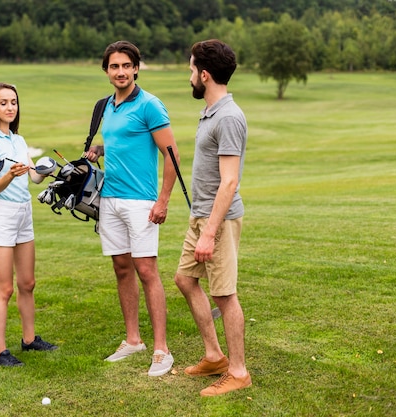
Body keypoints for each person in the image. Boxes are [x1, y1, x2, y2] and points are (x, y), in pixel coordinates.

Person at [84, 41, 179, 377]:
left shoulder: (150, 105)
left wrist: (163, 201)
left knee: (147, 270)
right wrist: (100, 149)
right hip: (109, 199)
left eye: (126, 65)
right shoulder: (106, 107)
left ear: (136, 67)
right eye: (114, 66)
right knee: (122, 268)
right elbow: (123, 143)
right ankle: (133, 340)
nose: (120, 72)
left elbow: (172, 156)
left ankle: (161, 350)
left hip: (142, 202)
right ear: (107, 71)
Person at [174, 39, 252, 396]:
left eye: (191, 70)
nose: (189, 76)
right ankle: (214, 355)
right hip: (201, 216)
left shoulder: (230, 116)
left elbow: (230, 181)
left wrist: (209, 232)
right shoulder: (211, 112)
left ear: (205, 75)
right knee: (185, 280)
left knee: (225, 294)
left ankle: (237, 371)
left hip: (216, 221)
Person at [0, 82, 58, 367]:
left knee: (28, 283)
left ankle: (29, 339)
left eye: (13, 102)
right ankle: (0, 353)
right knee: (5, 289)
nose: (10, 107)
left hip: (24, 213)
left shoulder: (18, 140)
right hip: (3, 215)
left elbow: (33, 177)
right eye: (3, 103)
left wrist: (45, 171)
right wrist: (11, 174)